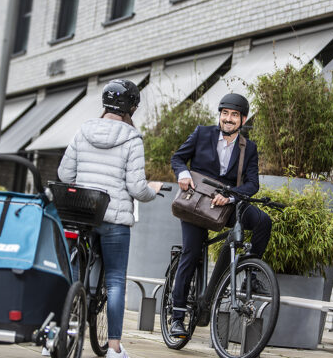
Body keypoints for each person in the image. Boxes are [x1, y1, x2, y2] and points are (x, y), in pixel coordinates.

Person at [58, 79, 163, 358]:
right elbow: (137, 188)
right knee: (115, 280)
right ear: (131, 108)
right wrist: (152, 191)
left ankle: (57, 336)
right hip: (114, 219)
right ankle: (114, 349)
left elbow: (65, 176)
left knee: (73, 275)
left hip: (82, 215)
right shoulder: (132, 139)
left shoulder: (83, 131)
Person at [168, 93, 272, 337]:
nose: (228, 119)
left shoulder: (249, 148)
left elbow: (252, 184)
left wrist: (231, 196)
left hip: (226, 203)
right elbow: (178, 158)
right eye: (224, 113)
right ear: (220, 115)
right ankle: (177, 317)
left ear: (243, 119)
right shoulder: (202, 133)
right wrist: (182, 173)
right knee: (191, 253)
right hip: (195, 202)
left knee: (263, 221)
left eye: (234, 115)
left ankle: (248, 271)